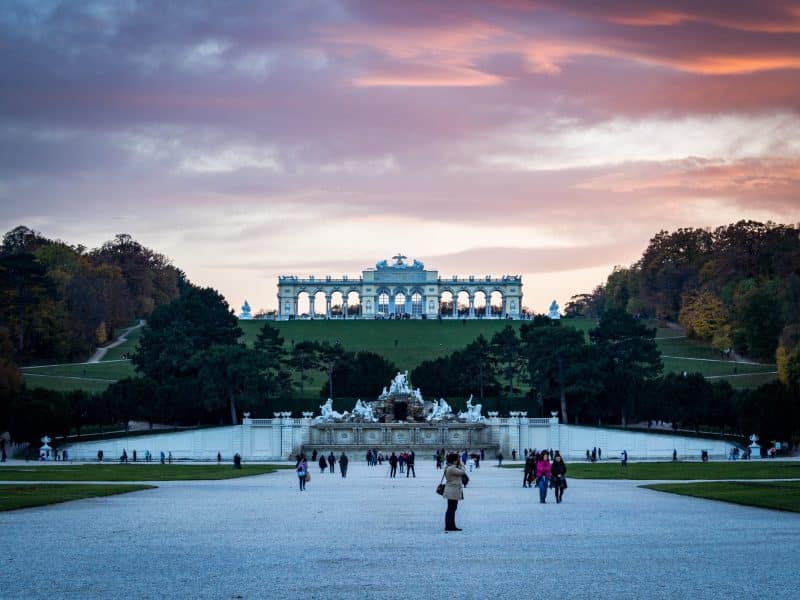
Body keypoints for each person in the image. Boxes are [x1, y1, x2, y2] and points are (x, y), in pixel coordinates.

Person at [443, 453, 466, 532]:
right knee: (452, 509)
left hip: (451, 489)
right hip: (453, 490)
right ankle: (450, 526)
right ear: (455, 460)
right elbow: (462, 472)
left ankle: (449, 525)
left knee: (451, 508)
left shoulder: (449, 467)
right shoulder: (452, 468)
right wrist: (462, 463)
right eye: (457, 459)